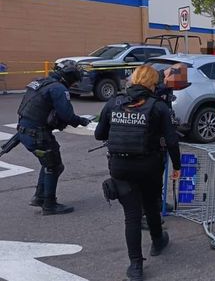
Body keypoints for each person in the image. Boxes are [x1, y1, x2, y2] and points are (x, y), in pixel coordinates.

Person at [94, 65, 181, 281]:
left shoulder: (113, 102)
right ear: (153, 84)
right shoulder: (158, 106)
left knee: (131, 216)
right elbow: (171, 140)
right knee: (151, 204)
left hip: (120, 167)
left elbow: (99, 134)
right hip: (149, 166)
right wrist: (177, 167)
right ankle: (158, 240)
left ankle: (135, 266)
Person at [17, 61, 90, 215]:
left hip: (24, 131)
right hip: (37, 134)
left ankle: (39, 197)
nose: (74, 83)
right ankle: (49, 204)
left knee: (48, 163)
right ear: (70, 77)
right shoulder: (58, 89)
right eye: (75, 80)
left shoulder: (41, 82)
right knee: (54, 166)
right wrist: (81, 121)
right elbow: (67, 115)